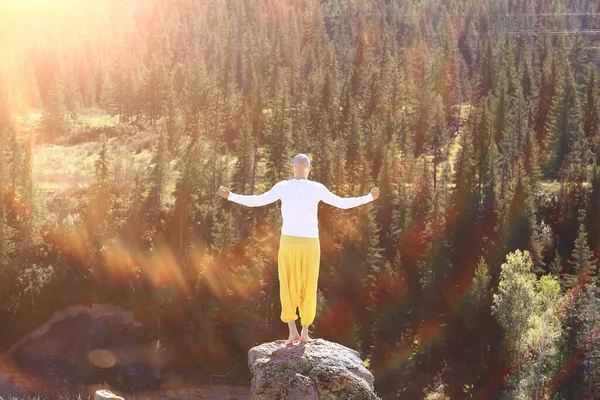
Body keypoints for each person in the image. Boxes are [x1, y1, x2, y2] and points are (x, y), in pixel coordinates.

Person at [217, 153, 379, 345]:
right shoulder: (317, 188)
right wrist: (369, 197)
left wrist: (231, 196)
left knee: (287, 283)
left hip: (289, 241)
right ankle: (305, 332)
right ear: (309, 169)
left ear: (292, 168)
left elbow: (257, 200)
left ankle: (292, 331)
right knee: (309, 284)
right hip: (310, 242)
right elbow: (342, 203)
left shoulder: (283, 186)